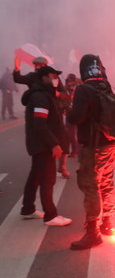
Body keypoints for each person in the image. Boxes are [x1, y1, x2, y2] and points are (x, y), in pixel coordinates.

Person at [68, 54, 115, 250]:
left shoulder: (84, 89)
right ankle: (107, 223)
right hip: (110, 146)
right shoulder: (106, 86)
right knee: (107, 183)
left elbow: (75, 118)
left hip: (93, 147)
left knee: (91, 186)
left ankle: (92, 232)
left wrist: (72, 108)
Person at [20, 65, 72, 226]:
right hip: (43, 145)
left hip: (41, 144)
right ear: (44, 78)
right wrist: (54, 144)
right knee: (47, 179)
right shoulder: (41, 97)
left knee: (35, 176)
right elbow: (40, 124)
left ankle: (28, 209)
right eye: (53, 76)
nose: (56, 79)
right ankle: (51, 215)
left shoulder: (46, 94)